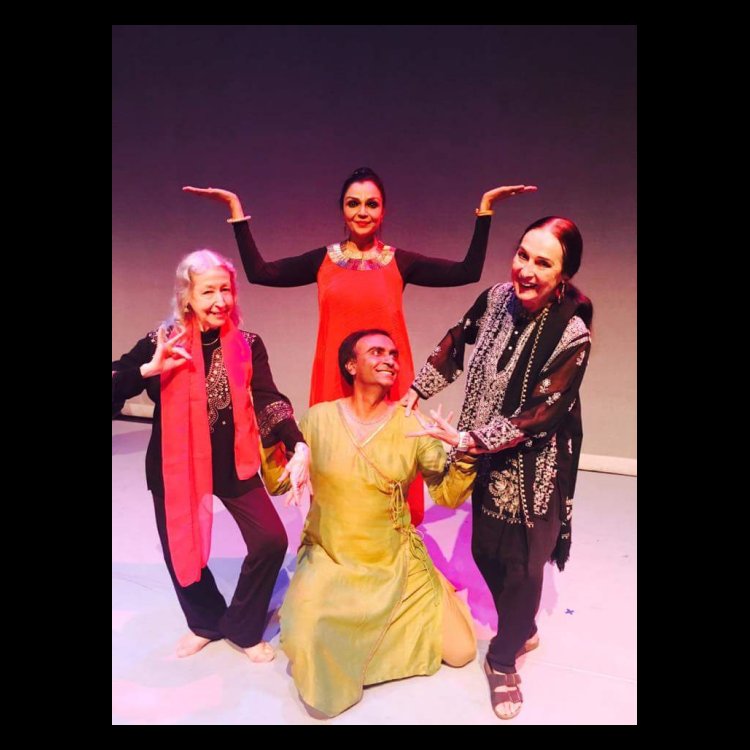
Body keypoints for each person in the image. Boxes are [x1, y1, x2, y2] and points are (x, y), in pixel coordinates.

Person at [183, 168, 536, 526]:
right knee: (333, 465)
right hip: (335, 380)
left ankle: (394, 536)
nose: (362, 212)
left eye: (371, 204)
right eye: (354, 204)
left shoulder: (399, 262)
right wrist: (235, 210)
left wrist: (485, 209)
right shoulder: (323, 261)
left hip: (387, 379)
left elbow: (466, 272)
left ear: (383, 211)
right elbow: (261, 273)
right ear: (343, 209)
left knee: (392, 463)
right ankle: (335, 536)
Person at [403, 216, 593, 720]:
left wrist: (470, 440)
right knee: (485, 549)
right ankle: (521, 626)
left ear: (563, 274)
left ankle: (503, 658)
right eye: (522, 254)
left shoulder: (572, 333)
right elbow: (458, 339)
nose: (525, 269)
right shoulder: (494, 299)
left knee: (524, 563)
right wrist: (417, 390)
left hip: (535, 463)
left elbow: (542, 412)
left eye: (542, 263)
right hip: (481, 454)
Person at [262, 329, 479, 718]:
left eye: (393, 354)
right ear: (351, 365)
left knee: (462, 651)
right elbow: (279, 482)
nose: (390, 360)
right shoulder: (318, 418)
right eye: (376, 352)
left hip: (395, 563)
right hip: (331, 557)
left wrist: (466, 452)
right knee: (307, 643)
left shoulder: (412, 424)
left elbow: (447, 495)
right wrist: (268, 442)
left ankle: (424, 594)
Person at [112, 249, 310, 663]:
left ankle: (242, 626)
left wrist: (298, 443)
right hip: (175, 466)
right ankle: (204, 622)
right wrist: (148, 369)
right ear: (187, 297)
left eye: (226, 290)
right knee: (180, 548)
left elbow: (268, 398)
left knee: (271, 540)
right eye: (208, 292)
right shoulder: (161, 340)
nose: (220, 300)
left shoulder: (248, 344)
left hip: (234, 462)